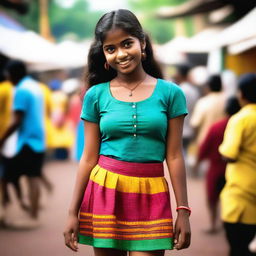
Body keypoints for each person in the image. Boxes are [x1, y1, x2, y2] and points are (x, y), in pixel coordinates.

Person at [63, 9, 191, 256]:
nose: (120, 54)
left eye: (127, 44)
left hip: (151, 195)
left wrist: (183, 211)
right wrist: (72, 212)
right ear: (104, 54)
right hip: (105, 193)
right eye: (111, 49)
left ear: (142, 42)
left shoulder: (171, 93)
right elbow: (89, 157)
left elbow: (174, 156)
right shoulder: (95, 96)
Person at [0, 60, 46, 227]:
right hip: (38, 139)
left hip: (25, 140)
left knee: (7, 175)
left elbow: (17, 120)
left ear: (13, 74)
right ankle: (33, 214)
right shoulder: (35, 87)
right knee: (33, 176)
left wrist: (2, 139)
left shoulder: (20, 90)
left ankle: (7, 212)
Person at [219, 73, 256, 256]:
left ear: (241, 94)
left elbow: (229, 154)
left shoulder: (241, 118)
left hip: (241, 195)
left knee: (238, 248)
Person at [193, 97, 240, 234]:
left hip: (215, 168)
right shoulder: (240, 125)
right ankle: (229, 223)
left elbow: (204, 147)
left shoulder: (216, 127)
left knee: (212, 198)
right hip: (235, 169)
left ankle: (213, 224)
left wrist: (197, 162)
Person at [190, 74, 226, 146]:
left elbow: (195, 124)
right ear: (221, 86)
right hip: (224, 141)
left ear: (208, 87)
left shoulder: (203, 102)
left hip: (205, 142)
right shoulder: (227, 100)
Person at [173, 64, 200, 154]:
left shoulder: (179, 90)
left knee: (180, 154)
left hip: (180, 129)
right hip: (190, 129)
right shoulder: (194, 90)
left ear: (180, 74)